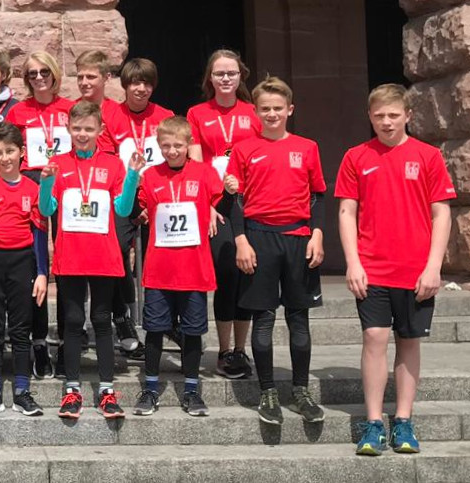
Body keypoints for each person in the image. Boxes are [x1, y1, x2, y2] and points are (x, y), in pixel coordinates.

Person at [337, 84, 455, 456]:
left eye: (393, 115)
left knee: (408, 339)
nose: (386, 122)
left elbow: (441, 214)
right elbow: (347, 212)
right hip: (371, 267)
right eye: (379, 116)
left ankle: (403, 420)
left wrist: (434, 266)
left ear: (408, 115)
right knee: (374, 337)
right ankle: (373, 423)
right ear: (369, 117)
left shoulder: (428, 156)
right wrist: (353, 262)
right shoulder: (356, 156)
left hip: (416, 269)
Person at [226, 76, 326, 426]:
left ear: (290, 110)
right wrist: (241, 240)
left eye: (278, 108)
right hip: (259, 237)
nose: (272, 114)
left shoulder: (307, 147)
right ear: (255, 112)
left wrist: (317, 234)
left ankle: (301, 391)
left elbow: (318, 195)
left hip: (298, 238)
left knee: (299, 318)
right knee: (263, 318)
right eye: (265, 109)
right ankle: (267, 391)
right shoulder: (243, 149)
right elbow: (234, 199)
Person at [39, 101, 143, 419]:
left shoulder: (113, 164)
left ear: (100, 130)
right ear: (68, 129)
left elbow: (123, 209)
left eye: (88, 128)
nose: (82, 134)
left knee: (101, 321)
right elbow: (46, 209)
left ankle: (107, 391)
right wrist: (46, 182)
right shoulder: (58, 163)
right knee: (72, 322)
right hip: (70, 256)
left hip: (103, 257)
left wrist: (133, 176)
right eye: (77, 128)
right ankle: (72, 390)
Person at [134, 116, 220, 417]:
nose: (172, 151)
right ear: (158, 145)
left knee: (192, 332)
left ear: (189, 145)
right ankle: (150, 388)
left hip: (193, 267)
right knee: (155, 330)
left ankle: (192, 391)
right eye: (166, 146)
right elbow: (136, 207)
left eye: (178, 146)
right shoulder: (150, 175)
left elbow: (220, 199)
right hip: (160, 269)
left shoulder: (204, 173)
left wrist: (215, 205)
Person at [186, 49, 260, 379]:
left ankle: (241, 350)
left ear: (241, 75)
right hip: (217, 204)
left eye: (231, 72)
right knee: (228, 272)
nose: (226, 78)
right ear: (210, 78)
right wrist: (208, 204)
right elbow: (195, 163)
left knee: (248, 276)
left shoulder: (253, 112)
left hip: (251, 200)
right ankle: (225, 350)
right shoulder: (197, 113)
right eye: (219, 73)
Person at [0, 122, 48, 417]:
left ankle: (22, 392)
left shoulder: (32, 188)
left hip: (21, 261)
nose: (5, 158)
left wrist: (42, 272)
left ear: (22, 152)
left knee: (20, 328)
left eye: (10, 151)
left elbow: (39, 233)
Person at [5, 50, 74, 378]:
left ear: (55, 73)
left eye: (44, 71)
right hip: (31, 186)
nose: (39, 78)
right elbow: (9, 151)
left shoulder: (69, 108)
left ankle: (67, 342)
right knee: (36, 264)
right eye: (32, 74)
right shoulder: (19, 111)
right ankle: (39, 342)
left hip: (68, 188)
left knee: (65, 263)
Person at [103, 57, 177, 359]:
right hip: (124, 196)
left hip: (160, 196)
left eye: (146, 83)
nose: (141, 88)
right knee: (117, 252)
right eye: (135, 82)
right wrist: (134, 205)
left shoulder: (165, 116)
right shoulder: (110, 115)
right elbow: (108, 163)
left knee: (164, 257)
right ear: (125, 85)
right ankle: (122, 319)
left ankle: (166, 321)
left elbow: (175, 159)